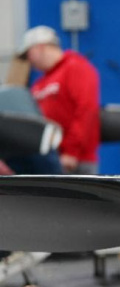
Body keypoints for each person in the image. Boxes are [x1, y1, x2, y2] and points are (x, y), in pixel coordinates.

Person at [19, 26, 100, 175]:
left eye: (29, 54)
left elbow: (86, 110)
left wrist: (71, 151)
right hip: (49, 160)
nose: (29, 61)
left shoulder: (76, 68)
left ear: (40, 47)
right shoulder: (39, 84)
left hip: (74, 162)